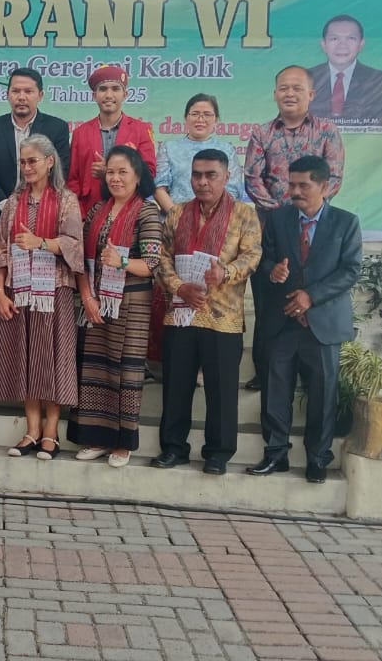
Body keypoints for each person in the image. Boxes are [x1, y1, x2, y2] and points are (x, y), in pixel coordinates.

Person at [250, 155, 360, 483]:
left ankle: (318, 458)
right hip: (282, 321)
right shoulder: (278, 219)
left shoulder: (345, 223)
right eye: (291, 184)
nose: (295, 191)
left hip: (322, 324)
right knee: (275, 391)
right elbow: (263, 260)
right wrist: (273, 271)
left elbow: (351, 270)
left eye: (303, 185)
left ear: (324, 186)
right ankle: (276, 454)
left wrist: (311, 296)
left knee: (323, 395)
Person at [152, 149, 261, 475]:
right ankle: (173, 448)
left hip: (222, 317)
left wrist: (225, 273)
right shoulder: (176, 213)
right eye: (196, 175)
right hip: (181, 313)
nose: (202, 182)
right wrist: (178, 287)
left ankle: (218, 453)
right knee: (176, 386)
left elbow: (252, 256)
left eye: (210, 175)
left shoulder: (244, 214)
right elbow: (162, 257)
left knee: (222, 391)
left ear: (227, 176)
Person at [0, 134, 83, 461]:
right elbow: (0, 249)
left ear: (50, 162)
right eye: (22, 162)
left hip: (54, 292)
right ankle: (32, 429)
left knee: (50, 358)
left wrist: (41, 242)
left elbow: (74, 244)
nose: (26, 167)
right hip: (19, 289)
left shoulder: (66, 200)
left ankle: (51, 431)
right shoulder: (13, 202)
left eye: (32, 161)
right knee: (26, 358)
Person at [244, 65, 344, 392]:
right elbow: (253, 179)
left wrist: (302, 210)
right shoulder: (261, 133)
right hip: (271, 231)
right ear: (275, 93)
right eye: (284, 88)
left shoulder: (327, 131)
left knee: (310, 296)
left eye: (297, 88)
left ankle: (306, 371)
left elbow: (334, 178)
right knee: (268, 303)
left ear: (311, 94)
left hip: (313, 232)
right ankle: (264, 371)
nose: (290, 93)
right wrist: (282, 215)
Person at [69, 145, 162, 468]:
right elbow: (80, 259)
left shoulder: (147, 212)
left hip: (131, 304)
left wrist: (121, 261)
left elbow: (152, 264)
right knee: (95, 368)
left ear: (137, 176)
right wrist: (87, 298)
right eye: (110, 172)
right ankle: (97, 437)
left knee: (125, 371)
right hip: (95, 302)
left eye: (123, 172)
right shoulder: (97, 210)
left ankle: (123, 443)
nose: (116, 178)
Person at [151, 93, 246, 373]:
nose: (200, 119)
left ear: (216, 120)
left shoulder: (226, 149)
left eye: (207, 114)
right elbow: (160, 187)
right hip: (178, 225)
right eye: (195, 113)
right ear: (185, 118)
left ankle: (207, 359)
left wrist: (209, 220)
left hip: (219, 228)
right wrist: (182, 218)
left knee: (212, 287)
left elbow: (234, 190)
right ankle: (179, 359)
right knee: (177, 287)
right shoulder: (170, 147)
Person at [0, 68, 72, 209]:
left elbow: (61, 170)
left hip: (43, 208)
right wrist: (4, 205)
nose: (21, 97)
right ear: (7, 95)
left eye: (28, 91)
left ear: (40, 95)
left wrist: (37, 205)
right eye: (16, 91)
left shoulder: (57, 128)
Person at [66, 65, 156, 215]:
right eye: (103, 89)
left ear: (125, 94)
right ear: (94, 95)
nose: (109, 95)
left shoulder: (141, 130)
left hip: (130, 211)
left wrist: (108, 172)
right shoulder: (80, 133)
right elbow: (73, 180)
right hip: (89, 211)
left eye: (115, 89)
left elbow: (150, 173)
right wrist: (78, 215)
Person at [308, 15, 382, 125]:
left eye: (351, 38)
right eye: (334, 38)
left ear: (361, 44)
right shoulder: (306, 77)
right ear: (324, 45)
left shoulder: (377, 79)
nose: (342, 45)